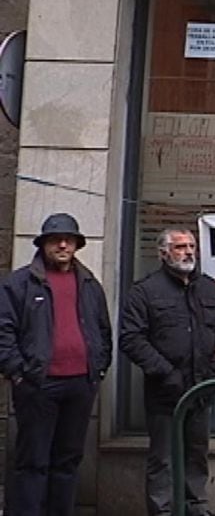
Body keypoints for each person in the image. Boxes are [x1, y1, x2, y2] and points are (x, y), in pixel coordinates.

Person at [0, 213, 113, 516]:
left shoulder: (89, 283)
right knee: (32, 461)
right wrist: (18, 373)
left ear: (77, 244)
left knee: (68, 460)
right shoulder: (19, 283)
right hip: (38, 385)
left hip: (80, 384)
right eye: (55, 240)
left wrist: (98, 368)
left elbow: (103, 329)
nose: (63, 245)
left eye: (69, 240)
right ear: (44, 244)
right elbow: (3, 331)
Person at [120, 228, 215, 516]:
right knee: (163, 459)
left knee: (196, 454)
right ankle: (163, 511)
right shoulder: (145, 291)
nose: (187, 252)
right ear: (163, 253)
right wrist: (166, 373)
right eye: (180, 247)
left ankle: (196, 507)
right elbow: (131, 338)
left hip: (202, 389)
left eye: (191, 246)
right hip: (165, 393)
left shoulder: (208, 287)